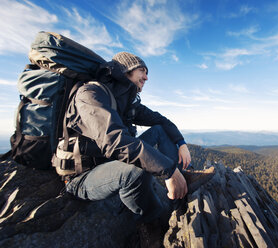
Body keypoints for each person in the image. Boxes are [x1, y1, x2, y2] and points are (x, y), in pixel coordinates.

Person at [57, 52, 215, 245]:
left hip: (111, 163)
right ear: (126, 70)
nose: (147, 77)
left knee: (158, 130)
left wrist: (181, 144)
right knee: (133, 171)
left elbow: (161, 121)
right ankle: (149, 224)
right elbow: (114, 142)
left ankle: (184, 180)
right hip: (83, 176)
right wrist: (168, 170)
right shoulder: (90, 94)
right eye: (142, 70)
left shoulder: (125, 100)